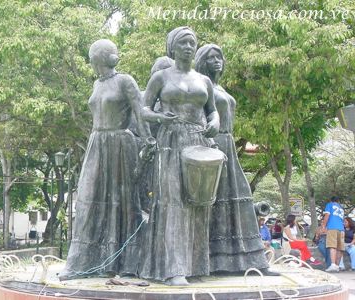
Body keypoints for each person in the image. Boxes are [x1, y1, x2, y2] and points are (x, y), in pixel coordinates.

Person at [59, 39, 149, 280]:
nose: (115, 56)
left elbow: (140, 113)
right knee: (88, 198)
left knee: (124, 202)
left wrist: (149, 142)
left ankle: (126, 263)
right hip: (97, 143)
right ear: (101, 57)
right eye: (112, 53)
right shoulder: (96, 84)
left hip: (121, 144)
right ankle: (80, 262)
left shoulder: (125, 80)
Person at [139, 27, 220, 286]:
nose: (188, 47)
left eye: (192, 43)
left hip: (198, 140)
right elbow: (143, 109)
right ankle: (174, 269)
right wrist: (159, 117)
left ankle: (195, 265)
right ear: (172, 47)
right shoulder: (161, 77)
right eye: (183, 42)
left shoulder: (203, 80)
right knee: (173, 203)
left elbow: (213, 111)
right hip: (170, 142)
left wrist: (215, 122)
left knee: (198, 203)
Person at [194, 44, 270, 273]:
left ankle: (250, 261)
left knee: (239, 200)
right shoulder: (201, 86)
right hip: (213, 145)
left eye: (219, 57)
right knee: (217, 203)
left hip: (228, 143)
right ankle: (214, 261)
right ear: (202, 62)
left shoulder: (220, 87)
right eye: (211, 58)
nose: (217, 61)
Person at [323, 196, 345, 272]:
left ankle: (333, 265)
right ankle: (337, 266)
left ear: (331, 200)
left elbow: (327, 216)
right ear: (338, 201)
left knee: (332, 246)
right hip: (341, 229)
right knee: (340, 248)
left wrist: (323, 226)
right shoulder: (341, 208)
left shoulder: (330, 204)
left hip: (332, 227)